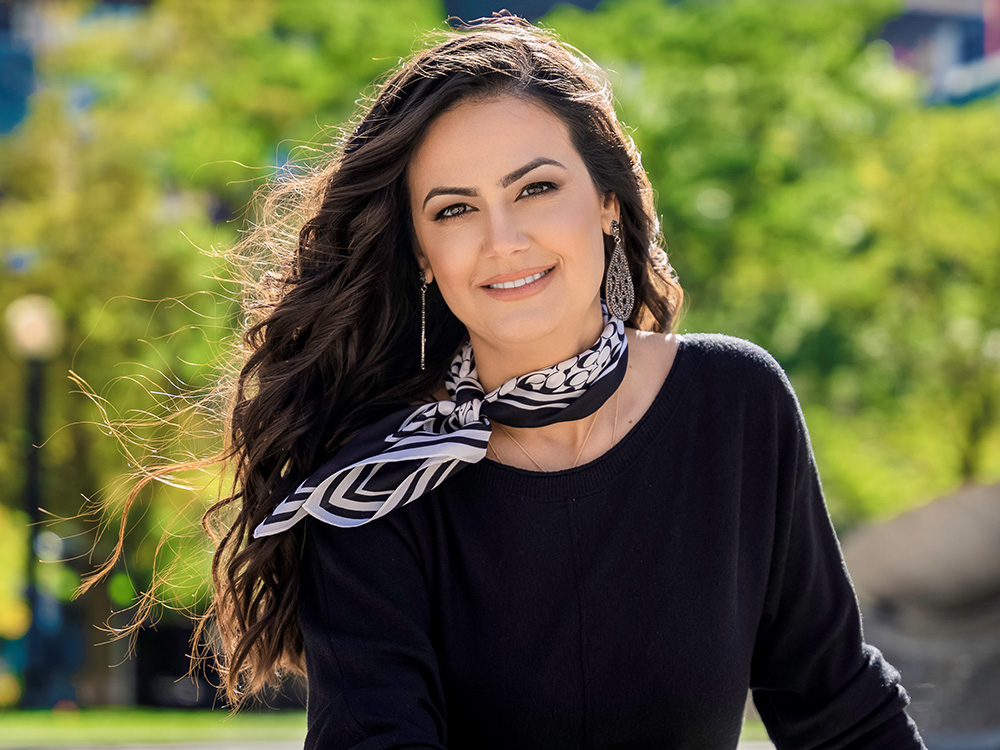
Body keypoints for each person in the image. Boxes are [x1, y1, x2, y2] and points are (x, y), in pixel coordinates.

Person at [100, 13, 926, 749]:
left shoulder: (735, 405)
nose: (504, 240)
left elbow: (837, 707)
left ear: (607, 201)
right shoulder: (374, 484)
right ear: (423, 255)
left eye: (536, 188)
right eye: (454, 209)